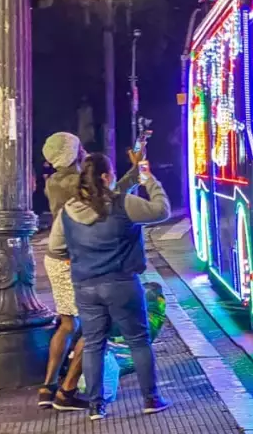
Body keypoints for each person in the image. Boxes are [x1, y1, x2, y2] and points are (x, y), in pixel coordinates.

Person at [53, 152, 171, 420]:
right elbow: (161, 210)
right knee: (138, 341)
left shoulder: (67, 211)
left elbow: (55, 247)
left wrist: (78, 256)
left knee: (94, 344)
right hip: (121, 283)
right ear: (106, 177)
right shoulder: (123, 203)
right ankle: (151, 399)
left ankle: (96, 406)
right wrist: (148, 178)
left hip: (85, 286)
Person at [39, 132, 142, 412]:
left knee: (68, 324)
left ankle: (47, 387)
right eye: (79, 147)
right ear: (73, 153)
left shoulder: (53, 181)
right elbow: (112, 195)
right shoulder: (76, 182)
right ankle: (67, 391)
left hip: (55, 257)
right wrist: (136, 170)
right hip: (74, 259)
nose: (84, 150)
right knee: (97, 327)